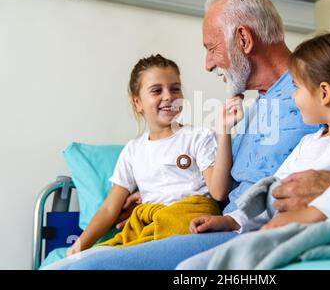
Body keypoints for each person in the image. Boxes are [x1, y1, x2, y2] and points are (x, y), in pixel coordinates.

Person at [61, 0, 330, 270]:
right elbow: (219, 186)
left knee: (86, 269)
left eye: (212, 48)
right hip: (229, 225)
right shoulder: (249, 113)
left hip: (266, 231)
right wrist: (157, 188)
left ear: (243, 40)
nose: (208, 62)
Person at [179, 31, 330, 269]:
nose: (292, 96)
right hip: (286, 227)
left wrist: (313, 212)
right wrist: (232, 221)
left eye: (297, 87)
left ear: (324, 93)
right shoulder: (309, 143)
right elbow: (277, 192)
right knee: (192, 268)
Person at [43, 54, 241, 269]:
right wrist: (79, 247)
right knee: (70, 264)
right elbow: (110, 208)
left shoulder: (199, 136)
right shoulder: (133, 151)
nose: (168, 96)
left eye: (175, 89)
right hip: (151, 224)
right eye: (157, 90)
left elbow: (219, 192)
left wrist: (224, 131)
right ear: (137, 102)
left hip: (188, 219)